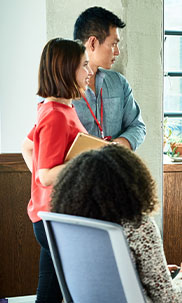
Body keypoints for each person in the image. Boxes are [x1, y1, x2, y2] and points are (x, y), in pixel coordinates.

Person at [49, 144, 182, 303]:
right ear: (132, 183)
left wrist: (160, 271)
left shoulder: (73, 227)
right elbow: (168, 300)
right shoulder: (138, 225)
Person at [21, 38, 93, 303]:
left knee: (50, 293)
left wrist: (42, 189)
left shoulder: (56, 108)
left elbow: (27, 148)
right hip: (55, 220)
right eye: (84, 66)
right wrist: (87, 159)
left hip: (51, 218)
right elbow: (46, 174)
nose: (89, 72)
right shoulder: (55, 115)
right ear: (66, 70)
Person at [72, 6, 145, 150]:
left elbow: (137, 126)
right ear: (93, 43)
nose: (117, 52)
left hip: (114, 169)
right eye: (113, 44)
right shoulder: (60, 88)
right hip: (79, 171)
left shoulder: (119, 83)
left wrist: (117, 146)